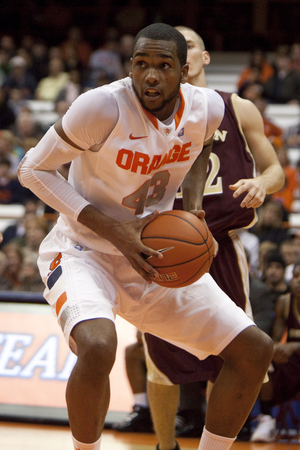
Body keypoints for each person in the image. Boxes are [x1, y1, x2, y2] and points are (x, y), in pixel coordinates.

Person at [18, 23, 274, 450]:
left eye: (163, 65)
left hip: (153, 254)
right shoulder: (100, 107)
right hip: (84, 251)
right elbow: (32, 169)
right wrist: (116, 231)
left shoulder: (207, 107)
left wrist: (192, 213)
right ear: (130, 66)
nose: (150, 75)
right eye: (141, 64)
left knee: (254, 351)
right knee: (98, 347)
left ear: (184, 70)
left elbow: (203, 147)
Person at [138, 25, 284, 449]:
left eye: (192, 47)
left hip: (219, 243)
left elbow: (273, 169)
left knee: (238, 358)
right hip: (164, 247)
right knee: (161, 363)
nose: (183, 55)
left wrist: (263, 185)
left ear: (201, 60)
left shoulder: (237, 108)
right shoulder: (145, 112)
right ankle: (166, 446)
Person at [250, 260, 300, 442]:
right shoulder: (284, 302)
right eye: (295, 276)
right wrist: (277, 350)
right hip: (293, 361)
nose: (298, 281)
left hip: (296, 354)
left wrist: (294, 346)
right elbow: (277, 339)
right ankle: (267, 419)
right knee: (266, 364)